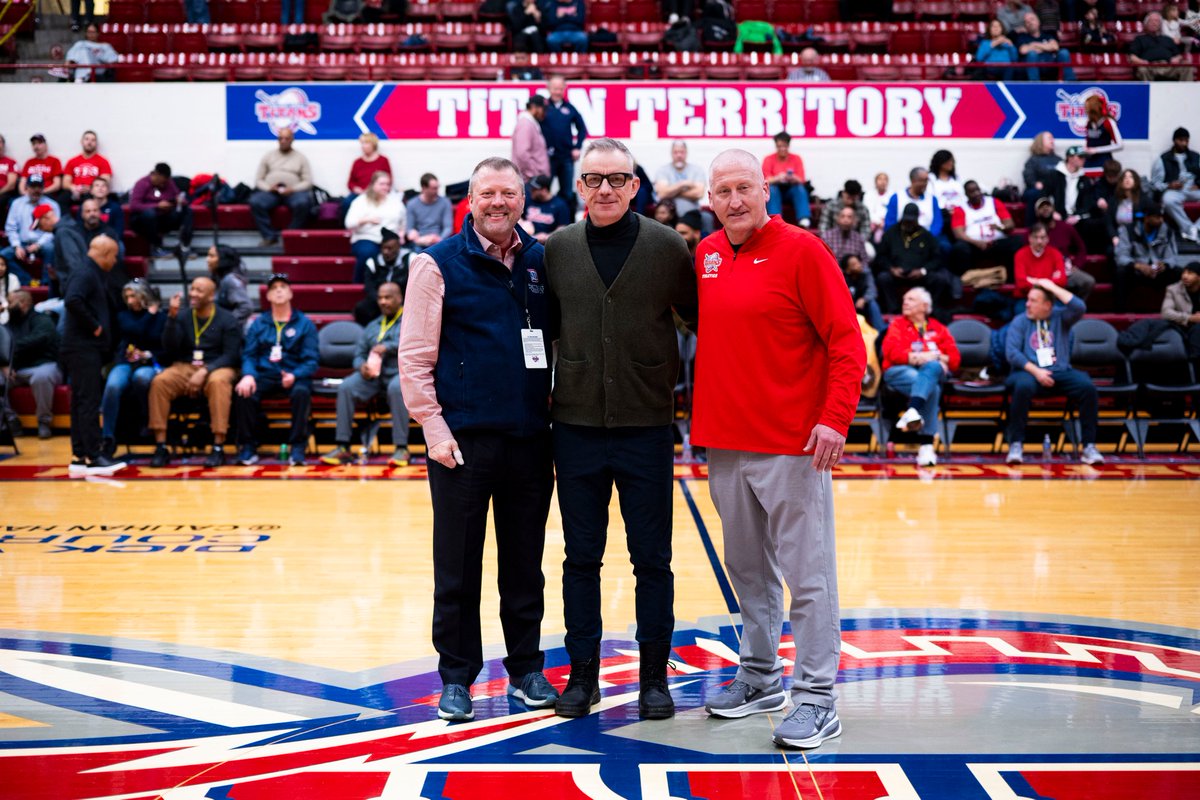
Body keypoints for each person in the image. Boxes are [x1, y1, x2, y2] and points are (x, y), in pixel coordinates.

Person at [693, 148, 864, 750]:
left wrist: (835, 419)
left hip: (793, 444)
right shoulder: (706, 255)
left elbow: (847, 341)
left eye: (745, 188)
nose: (734, 201)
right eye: (722, 192)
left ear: (766, 191)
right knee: (748, 572)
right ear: (708, 200)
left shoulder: (804, 251)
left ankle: (817, 697)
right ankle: (761, 676)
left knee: (808, 577)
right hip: (724, 443)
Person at [398, 156, 558, 722]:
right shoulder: (436, 263)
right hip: (460, 444)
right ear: (470, 199)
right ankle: (458, 677)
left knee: (525, 565)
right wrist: (434, 430)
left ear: (523, 200)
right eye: (487, 193)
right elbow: (414, 359)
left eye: (508, 194)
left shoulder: (542, 259)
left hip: (530, 442)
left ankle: (526, 670)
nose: (498, 203)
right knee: (458, 567)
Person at [544, 137, 696, 721]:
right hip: (575, 427)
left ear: (636, 186)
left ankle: (653, 678)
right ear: (578, 187)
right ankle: (582, 677)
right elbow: (544, 331)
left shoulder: (667, 248)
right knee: (580, 559)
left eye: (617, 179)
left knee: (651, 559)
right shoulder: (556, 249)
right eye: (593, 179)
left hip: (647, 426)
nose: (604, 188)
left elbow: (701, 320)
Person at [1004, 278, 1104, 465]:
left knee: (1087, 387)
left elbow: (1079, 307)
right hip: (1028, 371)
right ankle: (1016, 444)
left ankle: (1089, 446)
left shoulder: (1061, 317)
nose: (1027, 304)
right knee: (1022, 386)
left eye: (1033, 301)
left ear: (1047, 305)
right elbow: (1012, 353)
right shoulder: (1020, 321)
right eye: (1028, 299)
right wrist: (1037, 372)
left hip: (1059, 371)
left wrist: (1051, 286)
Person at [147, 277, 241, 468]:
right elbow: (170, 349)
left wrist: (206, 370)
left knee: (218, 382)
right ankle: (161, 445)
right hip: (186, 365)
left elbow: (231, 355)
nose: (193, 294)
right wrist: (171, 319)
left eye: (199, 291)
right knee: (160, 381)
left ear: (211, 295)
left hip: (218, 366)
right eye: (192, 289)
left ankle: (218, 446)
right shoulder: (182, 316)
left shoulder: (227, 319)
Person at [321, 282, 411, 467]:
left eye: (388, 297)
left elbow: (413, 345)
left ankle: (402, 448)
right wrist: (361, 366)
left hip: (399, 373)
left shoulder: (410, 321)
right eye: (380, 298)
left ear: (399, 298)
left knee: (396, 388)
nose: (383, 302)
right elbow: (359, 354)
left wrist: (389, 347)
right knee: (347, 386)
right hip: (373, 377)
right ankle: (343, 447)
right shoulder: (372, 326)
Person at [233, 275, 318, 466]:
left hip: (294, 374)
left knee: (302, 392)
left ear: (290, 293)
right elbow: (249, 355)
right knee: (244, 391)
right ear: (268, 296)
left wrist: (295, 374)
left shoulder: (304, 324)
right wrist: (248, 375)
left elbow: (311, 361)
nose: (278, 290)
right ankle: (248, 447)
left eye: (283, 286)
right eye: (274, 288)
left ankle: (297, 447)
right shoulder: (258, 323)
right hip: (264, 374)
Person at [61, 235, 127, 475]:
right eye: (114, 256)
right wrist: (95, 326)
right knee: (88, 401)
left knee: (80, 402)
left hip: (80, 347)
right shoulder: (86, 272)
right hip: (82, 346)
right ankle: (94, 455)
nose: (115, 260)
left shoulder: (87, 271)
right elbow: (72, 300)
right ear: (105, 253)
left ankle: (79, 456)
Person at [882, 287, 960, 468]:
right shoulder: (897, 325)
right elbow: (892, 353)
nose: (905, 302)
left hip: (926, 374)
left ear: (925, 306)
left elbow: (955, 360)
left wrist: (934, 358)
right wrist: (923, 357)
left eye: (910, 299)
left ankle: (912, 412)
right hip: (899, 372)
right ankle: (926, 445)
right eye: (904, 299)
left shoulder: (938, 328)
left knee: (931, 371)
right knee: (932, 384)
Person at [100, 279, 164, 458]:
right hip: (126, 362)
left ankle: (147, 421)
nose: (129, 300)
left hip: (151, 362)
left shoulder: (161, 317)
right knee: (113, 385)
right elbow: (136, 330)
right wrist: (149, 315)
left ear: (144, 295)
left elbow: (162, 343)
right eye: (127, 296)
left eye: (133, 296)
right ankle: (108, 437)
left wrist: (148, 354)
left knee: (142, 379)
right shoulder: (123, 315)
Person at [0, 289, 62, 440]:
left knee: (41, 377)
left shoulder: (42, 320)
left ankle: (43, 422)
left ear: (24, 303)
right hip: (17, 370)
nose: (8, 306)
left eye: (11, 302)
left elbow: (36, 341)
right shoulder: (8, 325)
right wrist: (4, 364)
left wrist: (11, 349)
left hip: (43, 365)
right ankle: (10, 419)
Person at [874, 203, 953, 318]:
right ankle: (894, 311)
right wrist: (891, 269)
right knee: (883, 278)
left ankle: (929, 311)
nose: (909, 223)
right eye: (906, 220)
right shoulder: (891, 233)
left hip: (919, 274)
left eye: (911, 220)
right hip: (896, 274)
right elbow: (880, 257)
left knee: (939, 279)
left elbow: (937, 259)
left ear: (917, 219)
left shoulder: (926, 235)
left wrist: (923, 271)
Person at [249, 129, 314, 247]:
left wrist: (293, 189)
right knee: (255, 201)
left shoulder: (300, 158)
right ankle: (269, 236)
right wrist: (268, 188)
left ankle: (290, 236)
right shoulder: (268, 156)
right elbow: (258, 180)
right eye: (280, 138)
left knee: (303, 202)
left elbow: (308, 182)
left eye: (286, 138)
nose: (283, 141)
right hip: (271, 192)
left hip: (293, 192)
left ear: (292, 139)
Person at [1114, 202, 1184, 309]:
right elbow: (1121, 256)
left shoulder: (1167, 231)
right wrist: (1138, 266)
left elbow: (1172, 257)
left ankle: (1177, 309)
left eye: (1161, 217)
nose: (1161, 220)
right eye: (1157, 217)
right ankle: (1121, 311)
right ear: (1146, 218)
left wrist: (1165, 265)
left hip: (1158, 272)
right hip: (1137, 270)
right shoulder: (1129, 230)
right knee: (1120, 272)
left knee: (1178, 272)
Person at [948, 180, 1018, 278]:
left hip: (996, 243)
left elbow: (1010, 224)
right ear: (966, 194)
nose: (976, 193)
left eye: (977, 190)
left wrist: (1000, 227)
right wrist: (977, 243)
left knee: (1016, 243)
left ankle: (1011, 279)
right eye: (972, 191)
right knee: (959, 248)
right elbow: (958, 234)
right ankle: (965, 282)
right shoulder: (960, 209)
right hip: (974, 246)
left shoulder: (993, 202)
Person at [346, 171, 404, 284]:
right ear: (373, 184)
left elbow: (403, 222)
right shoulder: (361, 201)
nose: (385, 187)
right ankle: (359, 284)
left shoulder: (395, 202)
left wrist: (401, 233)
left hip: (390, 239)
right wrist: (366, 220)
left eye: (388, 184)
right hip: (366, 237)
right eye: (382, 184)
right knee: (368, 253)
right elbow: (349, 223)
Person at [1, 176, 60, 287]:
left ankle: (46, 284)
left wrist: (38, 244)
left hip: (43, 243)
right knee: (3, 255)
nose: (36, 190)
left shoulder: (52, 205)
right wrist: (16, 245)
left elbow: (54, 229)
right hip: (22, 243)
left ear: (43, 188)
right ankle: (27, 281)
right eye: (33, 187)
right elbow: (11, 228)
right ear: (27, 188)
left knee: (51, 249)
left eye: (39, 187)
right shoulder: (17, 203)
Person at [542, 75, 588, 215]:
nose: (558, 91)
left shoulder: (570, 108)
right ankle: (546, 220)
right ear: (549, 89)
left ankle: (567, 222)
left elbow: (582, 129)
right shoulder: (543, 107)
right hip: (546, 158)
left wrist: (577, 147)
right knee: (544, 190)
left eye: (561, 89)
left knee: (567, 192)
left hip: (566, 158)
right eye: (555, 88)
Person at [1031, 196, 1096, 298]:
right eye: (1041, 207)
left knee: (1088, 281)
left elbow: (1081, 248)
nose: (1045, 209)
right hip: (1043, 272)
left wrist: (1077, 265)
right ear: (1036, 212)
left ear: (1053, 209)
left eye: (1048, 206)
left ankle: (1075, 307)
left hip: (1066, 270)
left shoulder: (1066, 228)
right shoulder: (1032, 233)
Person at [129, 163, 193, 258]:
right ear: (156, 175)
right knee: (149, 214)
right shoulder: (142, 184)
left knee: (187, 210)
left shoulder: (169, 183)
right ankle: (156, 247)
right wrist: (156, 206)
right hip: (143, 220)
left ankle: (185, 245)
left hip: (163, 217)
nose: (163, 185)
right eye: (161, 182)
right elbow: (134, 206)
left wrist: (179, 200)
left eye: (164, 182)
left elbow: (178, 195)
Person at [1151, 127, 1200, 242]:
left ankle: (1196, 229)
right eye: (1181, 140)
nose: (1184, 143)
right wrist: (1169, 185)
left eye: (1186, 140)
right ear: (1175, 140)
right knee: (1167, 200)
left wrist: (1199, 184)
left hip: (1193, 190)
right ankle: (1188, 229)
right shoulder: (1163, 159)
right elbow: (1154, 184)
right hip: (1175, 191)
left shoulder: (1196, 157)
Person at [355, 227, 409, 325]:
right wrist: (383, 300)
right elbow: (369, 287)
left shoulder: (410, 259)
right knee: (361, 308)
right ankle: (370, 333)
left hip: (404, 300)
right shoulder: (372, 262)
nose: (385, 252)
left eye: (389, 248)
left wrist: (396, 300)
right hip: (379, 300)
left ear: (398, 247)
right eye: (383, 248)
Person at [762, 131, 811, 227]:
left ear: (788, 146)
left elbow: (801, 180)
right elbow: (765, 180)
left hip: (791, 191)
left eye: (784, 146)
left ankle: (804, 218)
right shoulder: (768, 159)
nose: (782, 149)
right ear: (776, 146)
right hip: (775, 192)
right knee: (772, 189)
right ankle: (776, 219)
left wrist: (792, 178)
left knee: (799, 188)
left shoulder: (796, 158)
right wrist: (777, 178)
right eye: (779, 146)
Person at [1130, 11, 1194, 80]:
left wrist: (1176, 59)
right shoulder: (1139, 39)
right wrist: (1141, 62)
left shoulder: (1168, 39)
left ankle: (1185, 91)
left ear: (1160, 24)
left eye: (1157, 21)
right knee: (1142, 70)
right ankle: (1148, 90)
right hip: (1149, 67)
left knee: (1187, 67)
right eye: (1151, 21)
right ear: (1146, 24)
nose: (1154, 23)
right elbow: (1132, 57)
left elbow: (1178, 55)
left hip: (1169, 66)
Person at [883, 167, 942, 238]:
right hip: (902, 239)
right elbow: (890, 223)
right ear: (913, 180)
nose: (925, 184)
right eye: (921, 181)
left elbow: (937, 223)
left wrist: (928, 238)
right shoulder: (897, 198)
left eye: (926, 180)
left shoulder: (932, 199)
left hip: (926, 239)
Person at [653, 140, 706, 218]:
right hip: (669, 217)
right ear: (671, 153)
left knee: (707, 217)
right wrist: (683, 184)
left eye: (682, 152)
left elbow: (699, 193)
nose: (679, 155)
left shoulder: (697, 170)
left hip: (692, 215)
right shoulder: (663, 170)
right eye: (676, 152)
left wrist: (672, 191)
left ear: (686, 153)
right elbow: (662, 194)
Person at [206, 244, 255, 327]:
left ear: (223, 259)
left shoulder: (230, 280)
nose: (207, 259)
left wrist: (225, 323)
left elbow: (246, 307)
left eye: (212, 256)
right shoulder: (219, 278)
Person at [1016, 11, 1075, 80]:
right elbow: (1023, 50)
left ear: (1038, 22)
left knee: (1064, 52)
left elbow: (1055, 47)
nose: (1030, 23)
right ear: (1025, 25)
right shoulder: (1022, 37)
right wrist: (1046, 47)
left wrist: (1034, 45)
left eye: (1032, 19)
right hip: (1033, 67)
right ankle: (1035, 86)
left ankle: (1070, 84)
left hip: (1050, 65)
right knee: (1032, 54)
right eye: (1026, 21)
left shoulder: (1047, 35)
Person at [405, 173, 454, 252]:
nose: (437, 191)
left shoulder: (445, 202)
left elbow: (448, 227)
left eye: (437, 187)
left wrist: (439, 239)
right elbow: (410, 228)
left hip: (439, 240)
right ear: (424, 188)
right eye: (433, 188)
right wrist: (417, 238)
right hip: (420, 241)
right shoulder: (412, 204)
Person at [344, 132, 392, 213]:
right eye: (362, 143)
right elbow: (350, 182)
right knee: (346, 203)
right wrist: (355, 188)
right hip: (359, 194)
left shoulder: (383, 161)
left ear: (373, 144)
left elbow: (389, 180)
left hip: (377, 193)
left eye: (366, 143)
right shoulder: (357, 162)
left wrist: (376, 189)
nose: (363, 146)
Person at [62, 130, 112, 203]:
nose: (89, 142)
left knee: (89, 200)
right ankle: (66, 215)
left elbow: (105, 181)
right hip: (74, 191)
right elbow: (65, 183)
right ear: (82, 141)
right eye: (87, 139)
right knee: (62, 198)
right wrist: (74, 188)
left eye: (93, 140)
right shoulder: (72, 161)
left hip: (92, 193)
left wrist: (90, 188)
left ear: (96, 143)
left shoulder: (103, 161)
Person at [1161, 262, 1200, 355]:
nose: (1185, 276)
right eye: (1184, 272)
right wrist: (1190, 318)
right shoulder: (1173, 289)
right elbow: (1166, 313)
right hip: (1183, 327)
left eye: (1190, 273)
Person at [1081, 94, 1123, 179]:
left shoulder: (1108, 122)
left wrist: (1097, 150)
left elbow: (1120, 145)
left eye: (1087, 109)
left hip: (1104, 163)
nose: (1085, 111)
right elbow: (1088, 141)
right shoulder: (1089, 123)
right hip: (1089, 163)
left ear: (1094, 109)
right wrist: (1085, 149)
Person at [520, 174, 572, 244]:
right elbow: (518, 217)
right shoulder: (528, 200)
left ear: (544, 190)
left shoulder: (560, 205)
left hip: (549, 243)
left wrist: (548, 236)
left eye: (534, 189)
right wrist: (523, 224)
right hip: (526, 239)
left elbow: (563, 227)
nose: (531, 190)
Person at [1104, 168, 1150, 246]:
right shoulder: (1114, 200)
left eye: (1130, 177)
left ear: (1136, 181)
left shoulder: (1143, 200)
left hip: (1137, 237)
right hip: (1118, 236)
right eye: (1124, 177)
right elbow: (1109, 222)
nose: (1127, 179)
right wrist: (1114, 237)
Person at [512, 94, 551, 184]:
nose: (544, 113)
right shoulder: (525, 124)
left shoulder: (530, 123)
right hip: (529, 182)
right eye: (543, 109)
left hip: (532, 181)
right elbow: (522, 153)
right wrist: (533, 174)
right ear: (533, 107)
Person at [842, 252, 885, 332]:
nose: (859, 265)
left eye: (858, 262)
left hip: (864, 306)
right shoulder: (842, 278)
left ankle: (881, 330)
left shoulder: (866, 274)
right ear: (847, 270)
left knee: (872, 303)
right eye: (854, 264)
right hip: (849, 308)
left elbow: (872, 290)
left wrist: (864, 299)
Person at [821, 205, 870, 271]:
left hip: (854, 274)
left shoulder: (858, 238)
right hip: (833, 270)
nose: (845, 220)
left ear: (854, 220)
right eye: (842, 216)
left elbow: (865, 259)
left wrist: (860, 267)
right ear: (838, 219)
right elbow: (822, 259)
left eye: (849, 217)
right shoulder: (827, 236)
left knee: (866, 271)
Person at [864, 172, 890, 241]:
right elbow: (867, 211)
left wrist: (884, 222)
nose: (882, 182)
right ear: (875, 182)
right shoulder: (868, 195)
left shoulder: (892, 195)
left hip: (886, 224)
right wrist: (878, 222)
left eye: (885, 179)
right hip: (872, 224)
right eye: (880, 179)